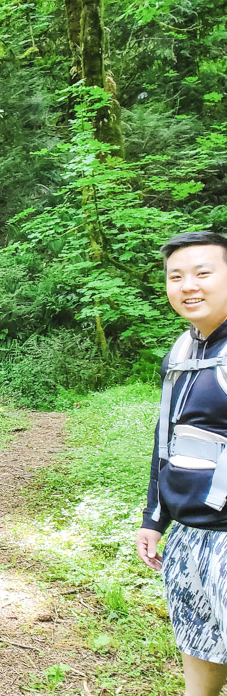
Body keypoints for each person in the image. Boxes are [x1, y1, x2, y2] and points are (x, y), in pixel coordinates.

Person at [138, 230, 227, 696]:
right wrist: (155, 516)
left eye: (203, 273)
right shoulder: (183, 350)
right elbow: (166, 438)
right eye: (176, 276)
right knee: (200, 652)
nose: (188, 285)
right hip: (191, 539)